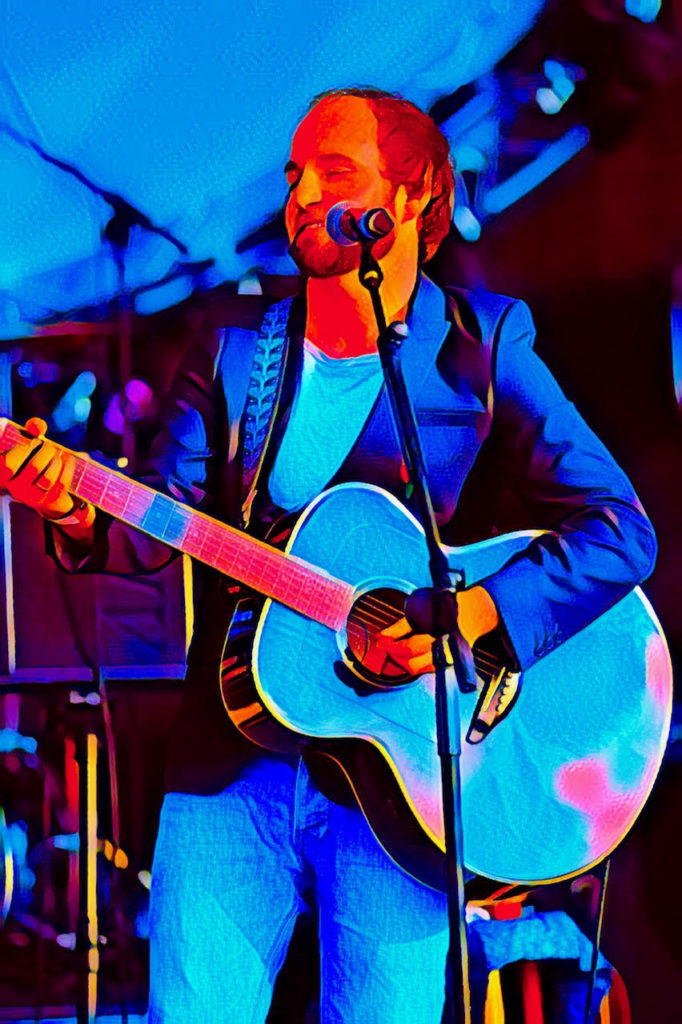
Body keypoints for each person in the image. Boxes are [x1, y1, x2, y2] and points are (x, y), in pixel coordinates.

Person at [0, 88, 656, 1023]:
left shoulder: (480, 345)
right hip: (228, 771)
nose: (301, 196)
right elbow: (160, 520)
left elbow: (620, 530)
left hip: (409, 790)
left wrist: (472, 615)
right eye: (294, 176)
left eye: (333, 173)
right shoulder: (236, 343)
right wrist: (71, 506)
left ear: (413, 197)